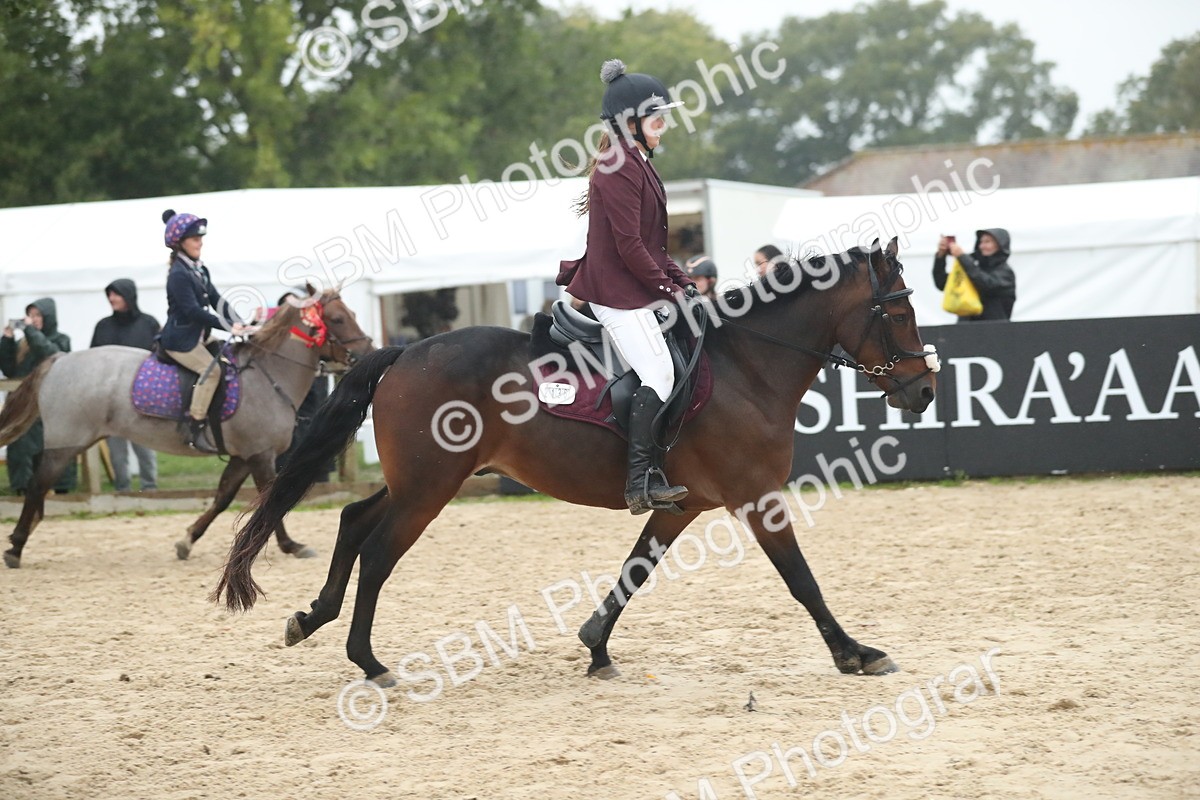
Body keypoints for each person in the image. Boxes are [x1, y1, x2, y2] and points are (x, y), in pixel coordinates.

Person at [556, 58, 697, 515]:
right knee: (659, 373)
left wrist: (684, 283)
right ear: (630, 122)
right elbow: (630, 246)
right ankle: (640, 481)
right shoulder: (617, 166)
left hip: (636, 289)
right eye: (658, 118)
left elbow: (654, 247)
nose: (665, 125)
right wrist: (670, 291)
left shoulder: (637, 162)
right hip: (616, 295)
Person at [159, 209, 255, 453]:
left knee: (231, 360)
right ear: (180, 243)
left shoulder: (199, 269)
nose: (200, 242)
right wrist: (226, 326)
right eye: (194, 238)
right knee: (210, 372)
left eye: (201, 238)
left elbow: (216, 299)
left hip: (199, 335)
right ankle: (194, 426)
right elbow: (192, 311)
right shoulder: (178, 275)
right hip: (181, 340)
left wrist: (240, 322)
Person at [0, 298, 77, 494]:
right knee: (22, 447)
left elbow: (49, 354)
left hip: (53, 407)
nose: (33, 320)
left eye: (38, 315)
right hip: (25, 407)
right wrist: (7, 341)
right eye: (30, 315)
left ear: (48, 317)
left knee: (55, 447)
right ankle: (23, 489)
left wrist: (30, 331)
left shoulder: (61, 340)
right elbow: (9, 370)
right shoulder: (24, 343)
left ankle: (61, 490)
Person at [91, 279, 161, 491]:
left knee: (145, 446)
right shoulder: (103, 326)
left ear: (128, 296)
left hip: (141, 398)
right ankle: (123, 491)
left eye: (116, 294)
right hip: (110, 400)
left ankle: (150, 489)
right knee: (116, 450)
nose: (112, 298)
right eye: (110, 294)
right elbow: (94, 360)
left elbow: (159, 359)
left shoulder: (149, 323)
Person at [273, 290, 334, 483]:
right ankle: (287, 474)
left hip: (314, 382)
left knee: (317, 424)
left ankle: (320, 474)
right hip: (288, 385)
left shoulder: (313, 327)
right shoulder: (276, 331)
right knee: (293, 427)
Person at [933, 229, 1016, 321]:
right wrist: (941, 256)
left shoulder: (1005, 272)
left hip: (994, 330)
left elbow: (986, 284)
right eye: (981, 242)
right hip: (966, 329)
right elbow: (942, 283)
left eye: (987, 242)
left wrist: (962, 257)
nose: (982, 246)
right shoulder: (972, 267)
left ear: (1000, 245)